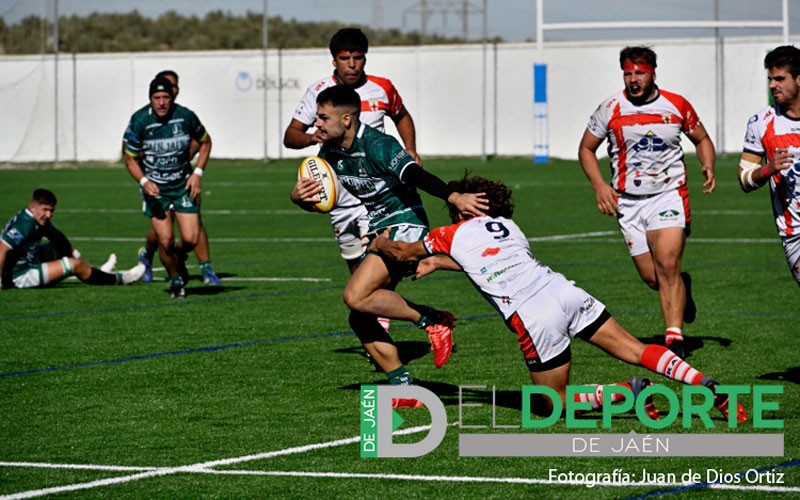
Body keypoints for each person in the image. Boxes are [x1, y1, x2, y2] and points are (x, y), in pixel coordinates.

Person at [369, 174, 746, 422]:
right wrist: (439, 263)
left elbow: (404, 254)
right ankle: (706, 385)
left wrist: (381, 242)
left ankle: (621, 394)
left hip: (534, 315)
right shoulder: (509, 228)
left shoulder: (450, 233)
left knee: (553, 405)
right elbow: (485, 257)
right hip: (564, 291)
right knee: (635, 348)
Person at [292, 85, 488, 408]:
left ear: (346, 119)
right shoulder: (329, 153)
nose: (317, 126)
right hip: (379, 228)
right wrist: (297, 198)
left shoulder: (377, 143)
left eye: (323, 118)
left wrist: (453, 196)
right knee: (360, 317)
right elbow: (318, 199)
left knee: (354, 295)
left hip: (404, 224)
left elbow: (413, 174)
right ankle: (405, 386)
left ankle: (432, 319)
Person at [578, 46, 717, 358]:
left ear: (653, 73)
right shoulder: (610, 108)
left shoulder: (677, 105)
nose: (632, 79)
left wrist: (707, 164)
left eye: (639, 72)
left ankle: (674, 340)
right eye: (627, 73)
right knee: (653, 277)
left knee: (667, 263)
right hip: (628, 203)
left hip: (669, 195)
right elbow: (586, 149)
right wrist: (599, 185)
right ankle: (683, 287)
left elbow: (702, 139)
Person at [286, 27, 419, 348]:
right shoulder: (319, 92)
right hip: (337, 191)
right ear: (334, 60)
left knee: (376, 257)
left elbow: (402, 115)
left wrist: (411, 148)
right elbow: (291, 136)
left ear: (365, 59)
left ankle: (384, 323)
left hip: (375, 193)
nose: (352, 65)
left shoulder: (382, 88)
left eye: (358, 58)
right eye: (345, 59)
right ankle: (374, 321)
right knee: (353, 261)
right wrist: (312, 137)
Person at [123, 76, 212, 299]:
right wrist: (144, 181)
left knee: (190, 239)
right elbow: (130, 158)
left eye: (165, 97)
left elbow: (206, 141)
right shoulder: (140, 120)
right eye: (156, 98)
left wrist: (198, 173)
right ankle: (176, 281)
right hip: (156, 190)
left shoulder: (185, 116)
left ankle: (176, 258)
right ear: (150, 99)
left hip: (182, 185)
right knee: (165, 240)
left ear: (172, 98)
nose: (161, 102)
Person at [738, 45, 800, 287]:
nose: (772, 85)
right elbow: (743, 179)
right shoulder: (761, 123)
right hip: (795, 232)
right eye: (770, 79)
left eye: (780, 79)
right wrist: (768, 169)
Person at [1, 189, 144, 290]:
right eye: (45, 209)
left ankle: (96, 272)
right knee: (73, 265)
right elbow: (1, 250)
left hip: (29, 260)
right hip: (19, 276)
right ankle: (123, 278)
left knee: (60, 248)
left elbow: (58, 238)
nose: (49, 215)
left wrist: (79, 256)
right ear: (32, 207)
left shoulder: (37, 219)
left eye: (51, 210)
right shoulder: (24, 224)